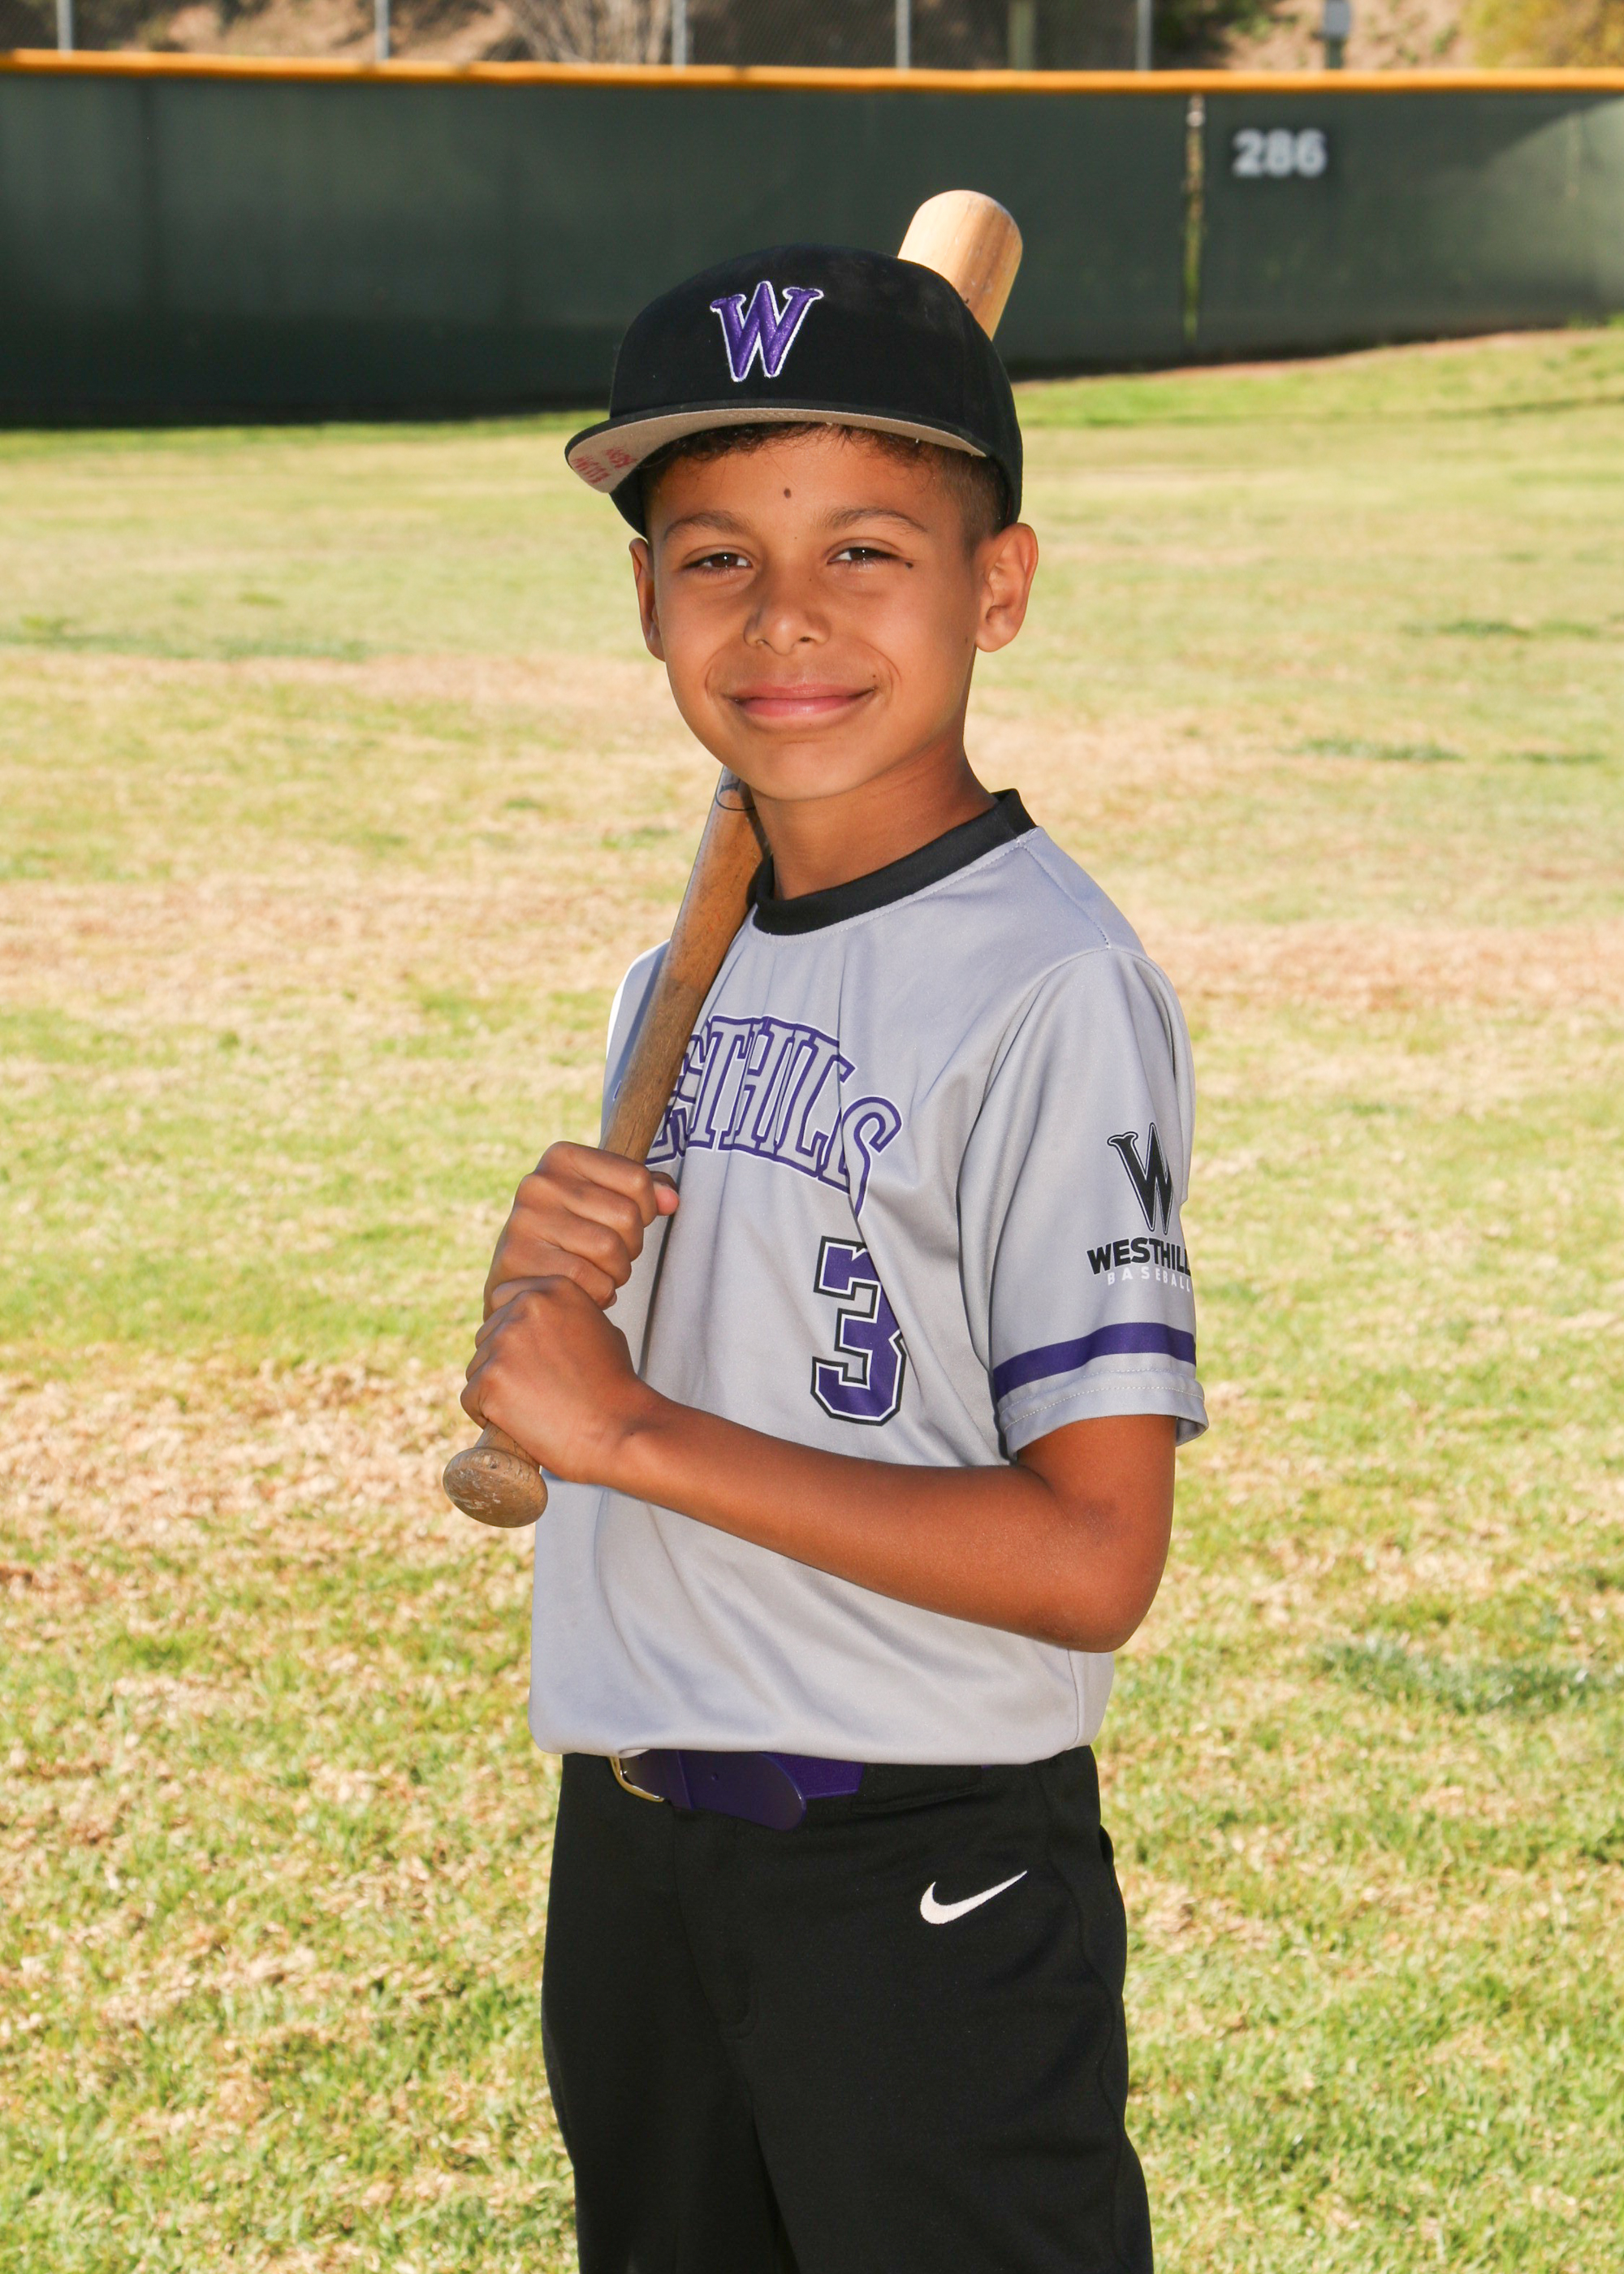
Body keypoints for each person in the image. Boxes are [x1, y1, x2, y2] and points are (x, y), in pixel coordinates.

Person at [460, 244, 1207, 2274]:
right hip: (639, 1843)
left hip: (915, 1869)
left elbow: (1091, 1554)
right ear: (645, 600)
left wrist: (629, 1432)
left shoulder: (1051, 985)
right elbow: (676, 1373)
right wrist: (549, 1304)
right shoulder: (677, 976)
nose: (784, 618)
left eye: (865, 549)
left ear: (998, 587)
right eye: (717, 557)